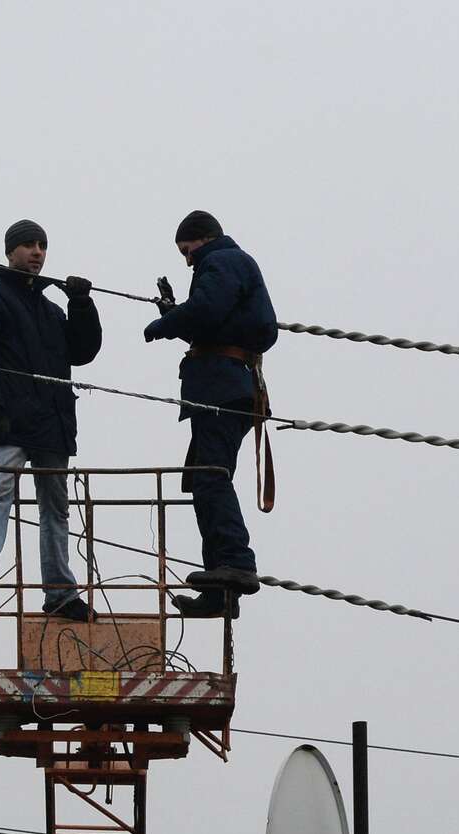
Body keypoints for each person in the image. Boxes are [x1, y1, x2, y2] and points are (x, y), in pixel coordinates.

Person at [0, 218, 102, 619]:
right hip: (12, 420)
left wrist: (82, 304)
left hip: (52, 423)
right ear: (10, 251)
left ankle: (60, 592)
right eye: (29, 245)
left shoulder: (52, 310)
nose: (38, 252)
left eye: (43, 245)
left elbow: (82, 351)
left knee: (55, 507)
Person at [143, 211, 277, 618]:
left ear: (202, 239)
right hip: (226, 387)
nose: (186, 260)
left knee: (213, 477)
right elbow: (212, 321)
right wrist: (177, 312)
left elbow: (206, 312)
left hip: (221, 388)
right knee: (204, 480)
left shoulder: (221, 261)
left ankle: (236, 563)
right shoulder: (228, 265)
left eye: (187, 251)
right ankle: (220, 589)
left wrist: (165, 323)